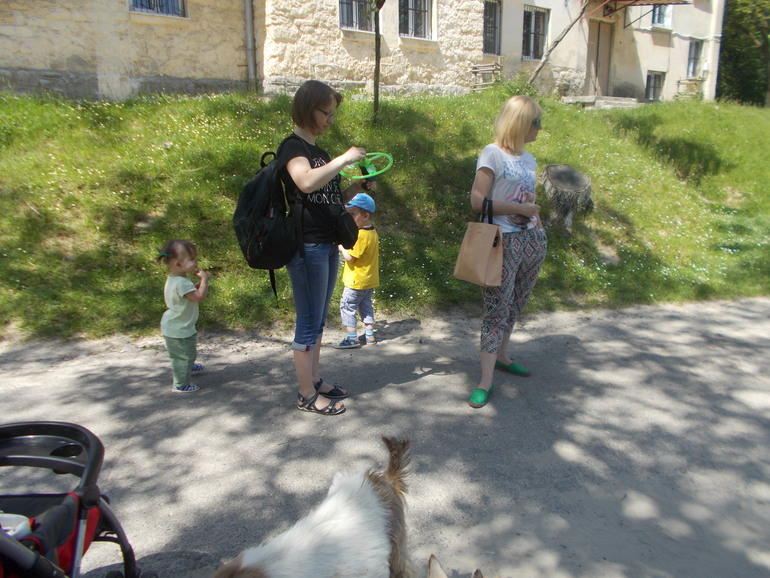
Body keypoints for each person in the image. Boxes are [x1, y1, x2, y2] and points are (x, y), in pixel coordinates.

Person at [281, 80, 372, 415]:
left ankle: (315, 381)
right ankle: (306, 394)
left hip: (326, 242)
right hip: (307, 247)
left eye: (333, 113)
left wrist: (355, 186)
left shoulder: (318, 152)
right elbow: (304, 181)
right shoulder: (293, 147)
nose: (330, 119)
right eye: (325, 112)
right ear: (308, 108)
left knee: (318, 320)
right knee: (308, 321)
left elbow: (327, 197)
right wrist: (344, 158)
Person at [467, 95, 547, 409]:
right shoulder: (492, 154)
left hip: (532, 240)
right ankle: (485, 381)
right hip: (502, 242)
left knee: (515, 305)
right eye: (536, 121)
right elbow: (476, 201)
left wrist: (538, 228)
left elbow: (530, 199)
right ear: (521, 123)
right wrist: (519, 209)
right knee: (497, 310)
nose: (540, 127)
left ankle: (502, 356)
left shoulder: (529, 159)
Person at [157, 239, 209, 393]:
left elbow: (186, 295)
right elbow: (199, 297)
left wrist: (194, 287)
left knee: (187, 351)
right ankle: (181, 384)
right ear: (178, 264)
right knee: (182, 356)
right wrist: (204, 280)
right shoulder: (182, 283)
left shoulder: (174, 279)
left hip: (175, 325)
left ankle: (188, 366)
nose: (196, 261)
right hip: (179, 328)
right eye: (192, 259)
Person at [335, 193, 379, 349]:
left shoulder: (360, 235)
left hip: (356, 281)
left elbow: (350, 257)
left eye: (352, 214)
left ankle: (352, 338)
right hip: (369, 280)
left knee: (347, 307)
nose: (349, 218)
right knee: (366, 306)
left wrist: (340, 246)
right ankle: (369, 336)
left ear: (365, 216)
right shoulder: (372, 232)